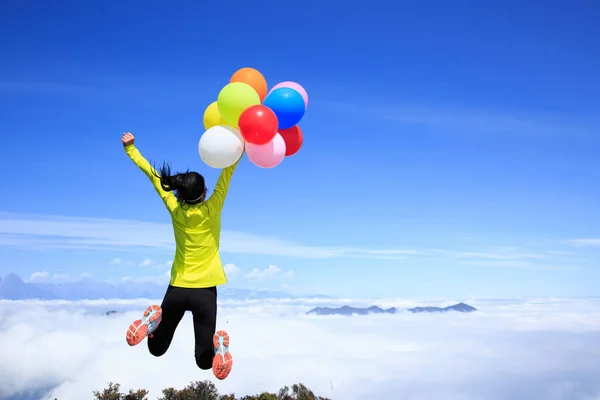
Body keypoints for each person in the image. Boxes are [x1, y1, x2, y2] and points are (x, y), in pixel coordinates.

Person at [121, 132, 238, 380]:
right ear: (205, 193)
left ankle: (151, 326)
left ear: (180, 194)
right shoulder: (213, 208)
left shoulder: (175, 209)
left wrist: (131, 149)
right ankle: (218, 348)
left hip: (178, 288)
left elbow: (153, 177)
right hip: (206, 290)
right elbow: (227, 173)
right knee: (204, 361)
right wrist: (242, 144)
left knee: (156, 349)